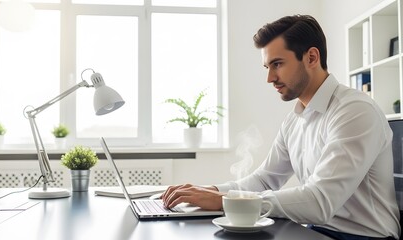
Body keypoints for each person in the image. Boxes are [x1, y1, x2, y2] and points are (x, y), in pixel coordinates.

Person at [162, 15, 401, 240]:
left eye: (277, 64)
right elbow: (265, 180)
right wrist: (206, 192)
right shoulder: (295, 119)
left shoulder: (354, 111)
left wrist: (223, 200)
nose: (270, 78)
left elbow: (320, 202)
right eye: (267, 67)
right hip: (317, 231)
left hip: (363, 236)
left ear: (311, 57)